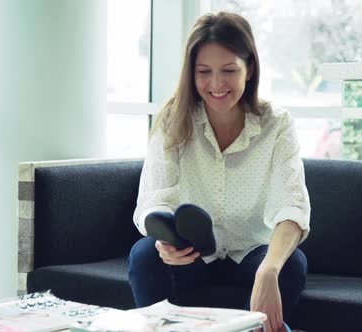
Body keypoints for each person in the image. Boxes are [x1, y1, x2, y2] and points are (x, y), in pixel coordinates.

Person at [128, 11, 310, 332]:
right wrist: (165, 242)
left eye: (229, 70)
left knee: (290, 264)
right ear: (191, 73)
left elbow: (291, 206)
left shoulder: (277, 124)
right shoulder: (173, 119)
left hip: (252, 250)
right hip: (192, 254)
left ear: (249, 68)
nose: (216, 84)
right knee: (144, 254)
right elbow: (154, 200)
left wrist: (268, 271)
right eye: (203, 72)